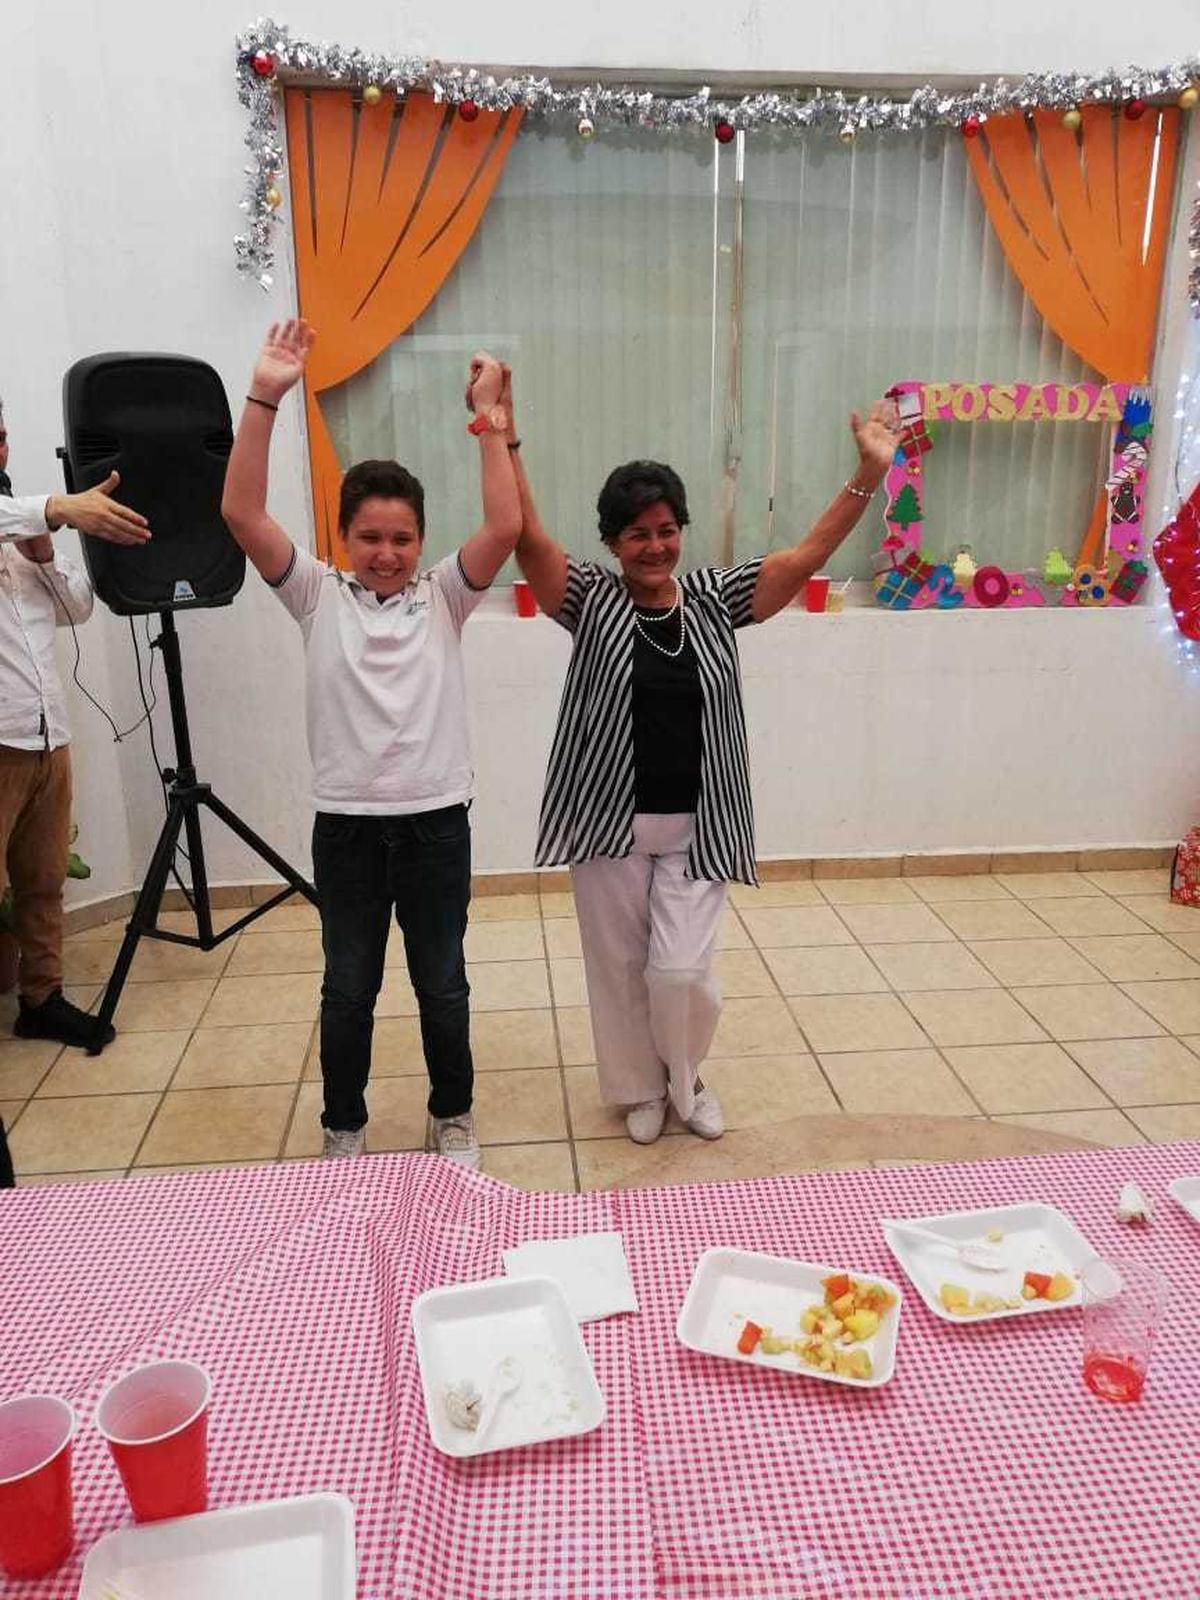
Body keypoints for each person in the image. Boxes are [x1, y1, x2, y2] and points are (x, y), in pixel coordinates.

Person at [508, 371, 900, 1144]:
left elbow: (803, 557)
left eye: (666, 529)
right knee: (620, 969)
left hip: (697, 824)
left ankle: (685, 1077)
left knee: (680, 972)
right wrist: (506, 438)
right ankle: (639, 1089)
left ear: (681, 530)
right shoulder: (591, 599)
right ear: (612, 542)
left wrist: (868, 473)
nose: (654, 546)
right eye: (636, 533)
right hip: (608, 822)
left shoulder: (715, 600)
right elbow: (528, 541)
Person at [221, 321, 521, 1168]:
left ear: (421, 542)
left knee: (443, 985)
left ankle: (452, 1114)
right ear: (342, 539)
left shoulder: (445, 596)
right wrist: (265, 395)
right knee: (348, 988)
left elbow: (504, 525)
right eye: (369, 538)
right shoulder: (316, 594)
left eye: (401, 539)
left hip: (436, 827)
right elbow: (240, 512)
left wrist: (491, 421)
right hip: (347, 831)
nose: (386, 554)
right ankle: (343, 1125)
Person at [0, 394, 152, 1188]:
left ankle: (42, 1000)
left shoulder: (21, 530)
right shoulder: (23, 510)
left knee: (42, 883)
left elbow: (80, 610)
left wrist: (44, 550)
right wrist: (53, 509)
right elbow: (40, 508)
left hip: (45, 735)